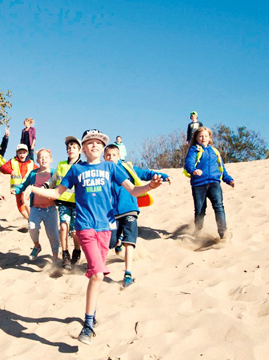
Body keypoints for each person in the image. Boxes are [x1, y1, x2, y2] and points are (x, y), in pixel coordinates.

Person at [31, 129, 164, 345]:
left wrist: (150, 186)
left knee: (96, 276)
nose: (94, 145)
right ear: (83, 148)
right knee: (99, 274)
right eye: (90, 142)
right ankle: (88, 325)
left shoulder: (112, 167)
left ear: (103, 149)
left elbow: (133, 190)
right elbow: (57, 193)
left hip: (107, 227)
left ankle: (89, 318)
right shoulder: (76, 170)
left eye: (99, 143)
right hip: (85, 227)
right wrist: (34, 189)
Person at [104, 144, 171, 288]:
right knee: (110, 242)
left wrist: (164, 177)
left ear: (119, 156)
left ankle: (128, 272)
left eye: (113, 155)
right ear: (104, 158)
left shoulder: (127, 168)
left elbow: (146, 174)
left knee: (130, 241)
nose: (110, 158)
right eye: (108, 155)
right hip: (110, 213)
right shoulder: (102, 172)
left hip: (129, 209)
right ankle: (117, 243)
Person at [184, 126, 235, 240]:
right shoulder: (194, 150)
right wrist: (193, 170)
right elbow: (188, 164)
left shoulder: (214, 151)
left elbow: (221, 169)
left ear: (209, 138)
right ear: (196, 138)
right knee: (200, 210)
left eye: (205, 136)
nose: (203, 138)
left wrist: (229, 180)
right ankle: (197, 231)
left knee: (219, 206)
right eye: (200, 136)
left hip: (214, 183)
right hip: (198, 184)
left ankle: (223, 233)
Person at [11, 149, 60, 261]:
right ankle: (37, 246)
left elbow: (60, 188)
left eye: (46, 157)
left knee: (52, 233)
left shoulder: (54, 173)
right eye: (41, 157)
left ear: (51, 159)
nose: (43, 159)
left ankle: (55, 256)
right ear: (37, 160)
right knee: (32, 227)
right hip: (35, 208)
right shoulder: (33, 173)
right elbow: (24, 185)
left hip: (50, 209)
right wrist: (17, 190)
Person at [45, 136, 83, 269]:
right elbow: (53, 180)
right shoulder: (61, 165)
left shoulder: (83, 166)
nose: (70, 149)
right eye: (69, 147)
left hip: (78, 203)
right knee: (63, 226)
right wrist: (46, 186)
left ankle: (77, 250)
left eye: (74, 147)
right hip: (63, 202)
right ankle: (65, 254)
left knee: (75, 231)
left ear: (80, 150)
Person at [0, 143, 37, 220]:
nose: (22, 155)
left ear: (27, 153)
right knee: (20, 206)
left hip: (27, 188)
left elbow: (38, 171)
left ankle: (33, 220)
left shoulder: (31, 163)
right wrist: (10, 171)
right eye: (20, 153)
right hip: (17, 189)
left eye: (24, 153)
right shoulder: (12, 161)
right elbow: (2, 168)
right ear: (17, 153)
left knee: (26, 202)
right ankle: (30, 220)